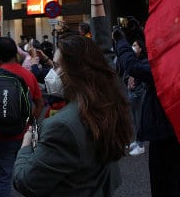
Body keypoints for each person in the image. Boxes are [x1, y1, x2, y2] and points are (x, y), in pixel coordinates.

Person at [92, 0, 180, 197]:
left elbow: (134, 66)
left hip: (165, 133)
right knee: (176, 180)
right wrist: (136, 31)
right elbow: (153, 52)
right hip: (178, 129)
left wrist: (119, 41)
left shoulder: (168, 63)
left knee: (164, 184)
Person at [13, 34, 133, 195]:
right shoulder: (108, 103)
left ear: (75, 71)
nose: (52, 73)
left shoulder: (61, 127)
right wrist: (48, 60)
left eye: (55, 66)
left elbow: (27, 182)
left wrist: (26, 145)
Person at [0, 36, 44, 197]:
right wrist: (29, 124)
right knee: (28, 177)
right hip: (24, 135)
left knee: (2, 179)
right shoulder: (28, 75)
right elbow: (40, 103)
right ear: (16, 53)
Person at [119, 37, 148, 157]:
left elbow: (142, 78)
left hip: (139, 93)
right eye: (133, 44)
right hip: (131, 92)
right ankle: (137, 141)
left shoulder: (143, 61)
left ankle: (141, 145)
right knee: (134, 119)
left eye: (135, 45)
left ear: (141, 48)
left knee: (139, 118)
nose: (133, 47)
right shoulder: (132, 60)